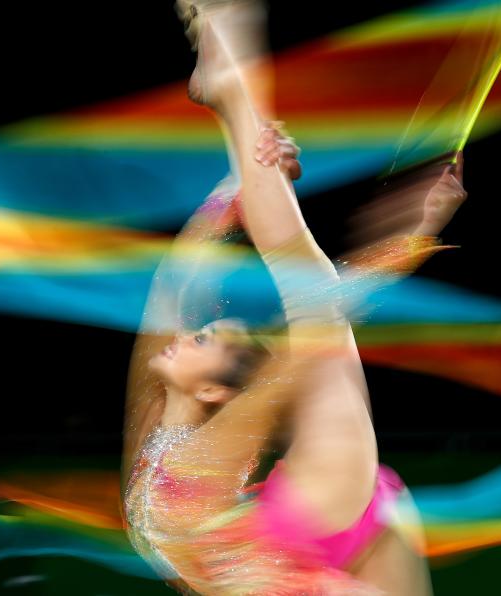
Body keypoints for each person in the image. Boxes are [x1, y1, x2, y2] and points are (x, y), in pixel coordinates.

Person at [121, 1, 467, 593]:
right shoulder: (205, 437)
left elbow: (171, 290)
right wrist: (406, 246)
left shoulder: (165, 428)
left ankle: (235, 95)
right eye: (205, 335)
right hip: (293, 549)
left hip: (291, 536)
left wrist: (233, 190)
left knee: (310, 295)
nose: (186, 333)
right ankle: (235, 96)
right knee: (315, 308)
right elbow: (308, 336)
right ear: (214, 390)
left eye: (201, 336)